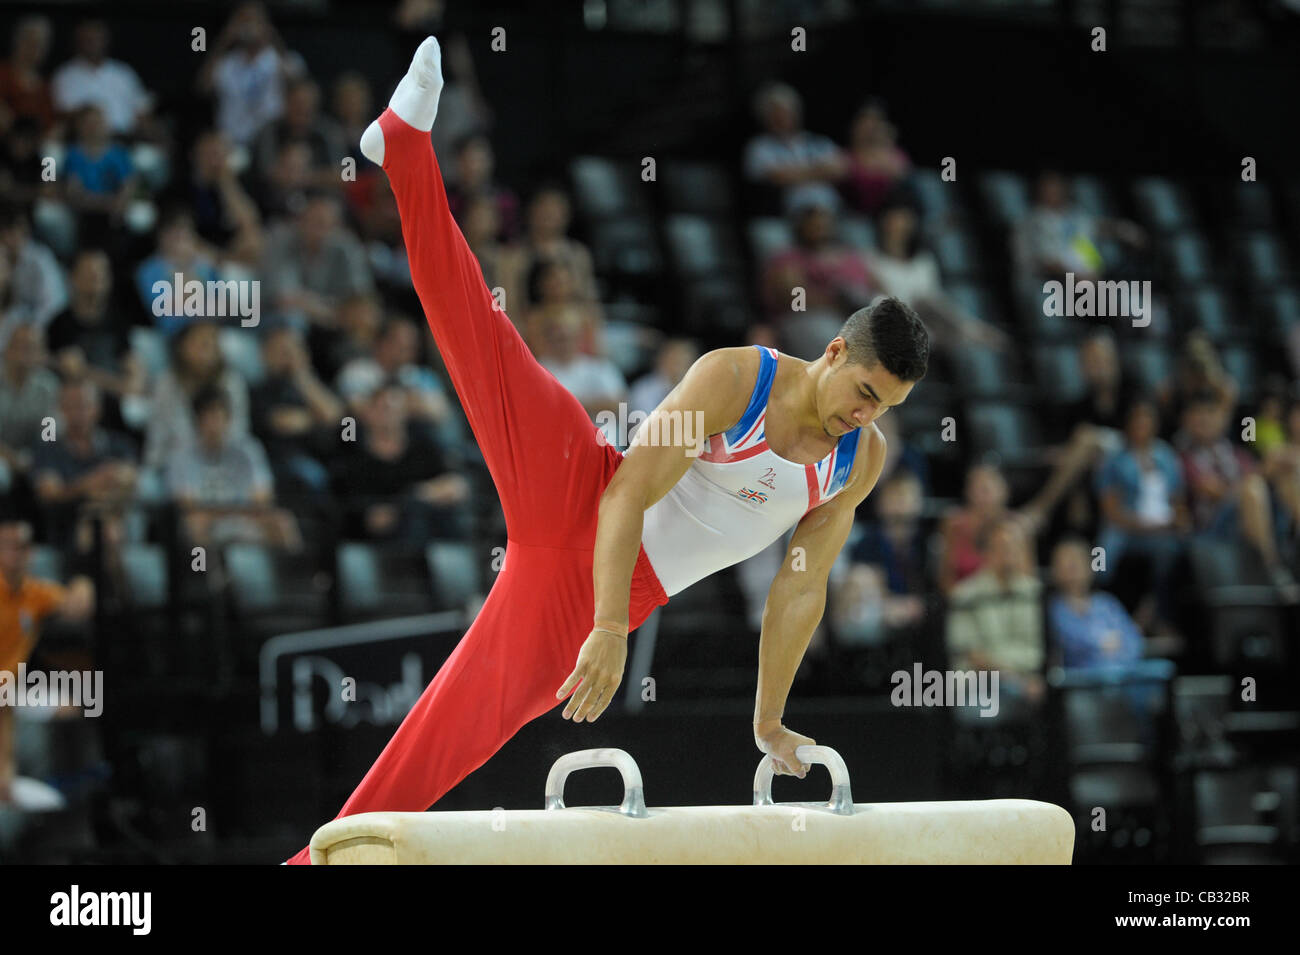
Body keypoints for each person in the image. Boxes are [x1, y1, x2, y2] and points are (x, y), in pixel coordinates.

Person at [283, 38, 928, 864]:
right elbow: (625, 492)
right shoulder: (734, 379)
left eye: (887, 409)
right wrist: (613, 627)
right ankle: (405, 148)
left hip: (578, 601)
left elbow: (799, 590)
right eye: (866, 394)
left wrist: (767, 720)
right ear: (834, 353)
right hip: (581, 488)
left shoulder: (858, 459)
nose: (864, 417)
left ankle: (310, 863)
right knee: (484, 338)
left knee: (443, 747)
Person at [0, 517, 94, 804]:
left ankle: (79, 790)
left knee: (77, 703)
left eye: (22, 547)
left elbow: (75, 603)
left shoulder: (33, 592)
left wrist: (84, 582)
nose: (16, 554)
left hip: (12, 688)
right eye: (7, 547)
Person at [945, 517, 1046, 713]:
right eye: (1002, 547)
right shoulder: (964, 595)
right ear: (986, 552)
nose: (1009, 553)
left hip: (1032, 680)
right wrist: (1018, 680)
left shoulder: (1036, 594)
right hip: (981, 683)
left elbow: (1044, 649)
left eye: (1015, 546)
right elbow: (974, 656)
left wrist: (1030, 679)